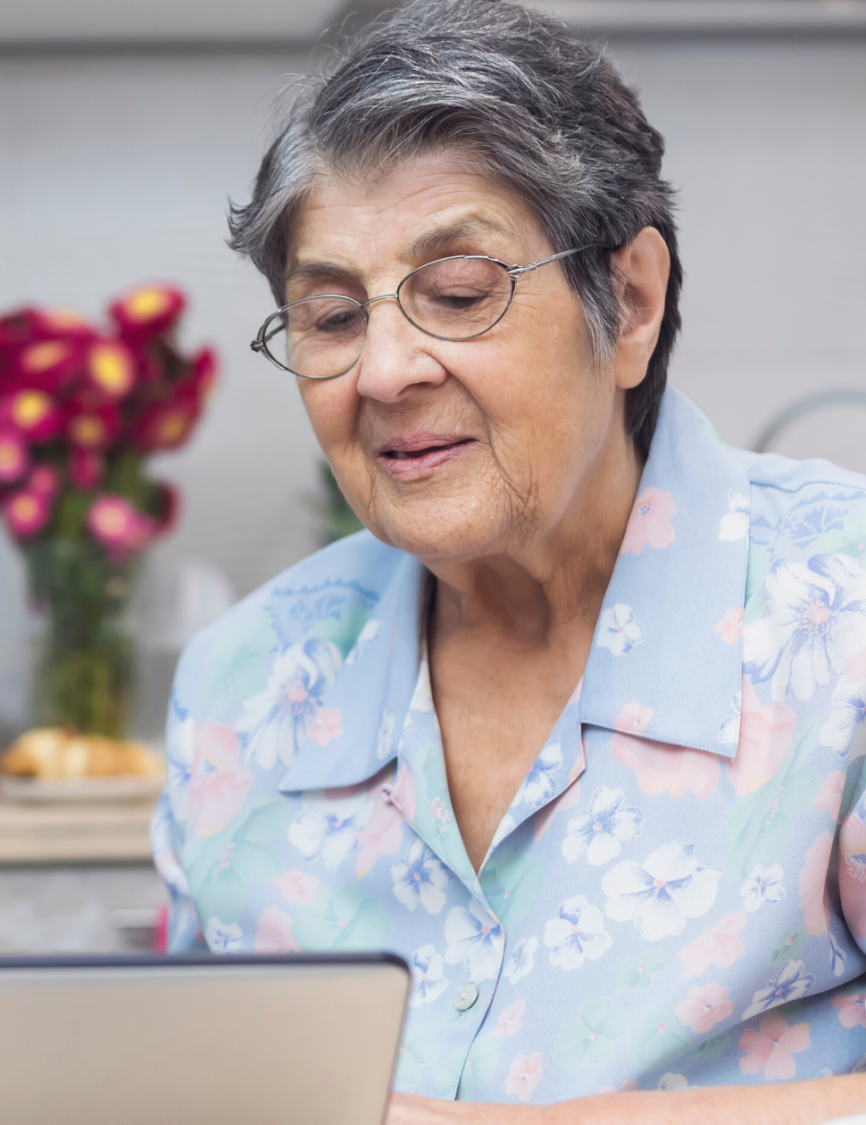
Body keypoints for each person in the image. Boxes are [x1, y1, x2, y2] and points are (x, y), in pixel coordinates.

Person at [152, 0, 866, 1120]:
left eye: (458, 294)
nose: (383, 371)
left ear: (629, 303)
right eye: (330, 317)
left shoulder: (841, 620)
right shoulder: (243, 685)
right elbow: (185, 1085)